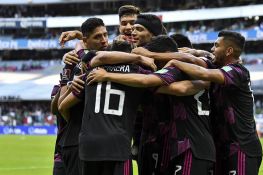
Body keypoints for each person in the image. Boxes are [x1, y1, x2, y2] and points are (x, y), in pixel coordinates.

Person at [87, 35, 215, 175]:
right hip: (190, 142)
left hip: (188, 143)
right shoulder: (204, 67)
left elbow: (171, 87)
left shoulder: (174, 68)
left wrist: (108, 75)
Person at [165, 31, 263, 175]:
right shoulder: (219, 68)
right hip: (223, 149)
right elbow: (206, 58)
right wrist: (194, 52)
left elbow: (203, 73)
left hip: (241, 148)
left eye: (216, 45)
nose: (212, 49)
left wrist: (175, 62)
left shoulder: (238, 71)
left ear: (229, 51)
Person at [57, 17, 109, 175]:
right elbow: (61, 106)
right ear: (86, 40)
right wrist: (70, 86)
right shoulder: (73, 63)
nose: (104, 40)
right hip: (77, 140)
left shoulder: (110, 58)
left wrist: (78, 38)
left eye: (105, 35)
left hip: (99, 141)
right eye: (98, 37)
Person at [50, 84, 67, 175]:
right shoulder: (57, 88)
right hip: (61, 149)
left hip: (79, 147)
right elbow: (54, 110)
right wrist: (63, 87)